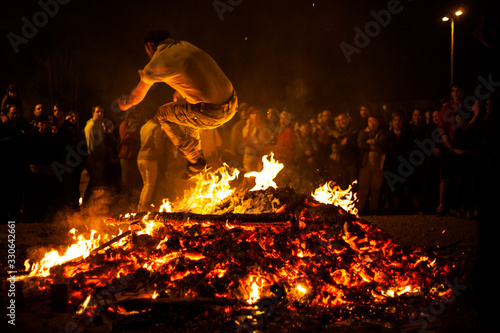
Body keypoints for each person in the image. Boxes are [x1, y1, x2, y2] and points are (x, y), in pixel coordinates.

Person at [118, 30, 238, 179]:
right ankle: (196, 155)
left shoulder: (155, 63)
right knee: (181, 101)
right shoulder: (186, 46)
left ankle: (195, 159)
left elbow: (136, 96)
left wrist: (126, 104)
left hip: (211, 114)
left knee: (163, 114)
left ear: (150, 46)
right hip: (233, 104)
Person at [357, 115, 388, 215]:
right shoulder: (363, 133)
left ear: (378, 123)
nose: (372, 123)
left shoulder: (382, 133)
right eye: (370, 121)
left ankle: (374, 209)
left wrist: (373, 142)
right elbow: (361, 144)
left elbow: (383, 142)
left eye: (374, 121)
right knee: (363, 187)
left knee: (376, 187)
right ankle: (360, 209)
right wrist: (374, 146)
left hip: (378, 165)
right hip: (366, 164)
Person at [137, 113, 165, 212]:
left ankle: (140, 207)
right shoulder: (156, 127)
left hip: (140, 158)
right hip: (150, 158)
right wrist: (162, 153)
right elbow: (157, 143)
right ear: (155, 115)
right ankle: (142, 209)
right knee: (149, 185)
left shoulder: (143, 127)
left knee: (145, 185)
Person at [83, 105, 107, 203]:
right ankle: (87, 204)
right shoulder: (91, 126)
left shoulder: (98, 125)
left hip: (99, 158)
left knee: (97, 183)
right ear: (93, 113)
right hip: (95, 159)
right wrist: (94, 159)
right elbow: (91, 145)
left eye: (101, 112)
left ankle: (93, 204)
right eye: (97, 112)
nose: (100, 114)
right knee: (94, 183)